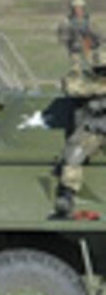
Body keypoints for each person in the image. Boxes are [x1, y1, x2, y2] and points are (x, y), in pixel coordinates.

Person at [53, 47, 106, 217]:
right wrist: (98, 88)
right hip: (94, 128)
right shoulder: (89, 81)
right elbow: (72, 87)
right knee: (74, 153)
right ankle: (67, 193)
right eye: (101, 69)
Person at [57, 0, 100, 69]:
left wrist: (97, 40)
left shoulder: (88, 19)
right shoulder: (67, 20)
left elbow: (96, 33)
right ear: (73, 9)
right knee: (76, 65)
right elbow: (62, 33)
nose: (78, 9)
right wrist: (67, 39)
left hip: (87, 45)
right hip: (74, 46)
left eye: (80, 7)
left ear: (83, 8)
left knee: (91, 61)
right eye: (76, 7)